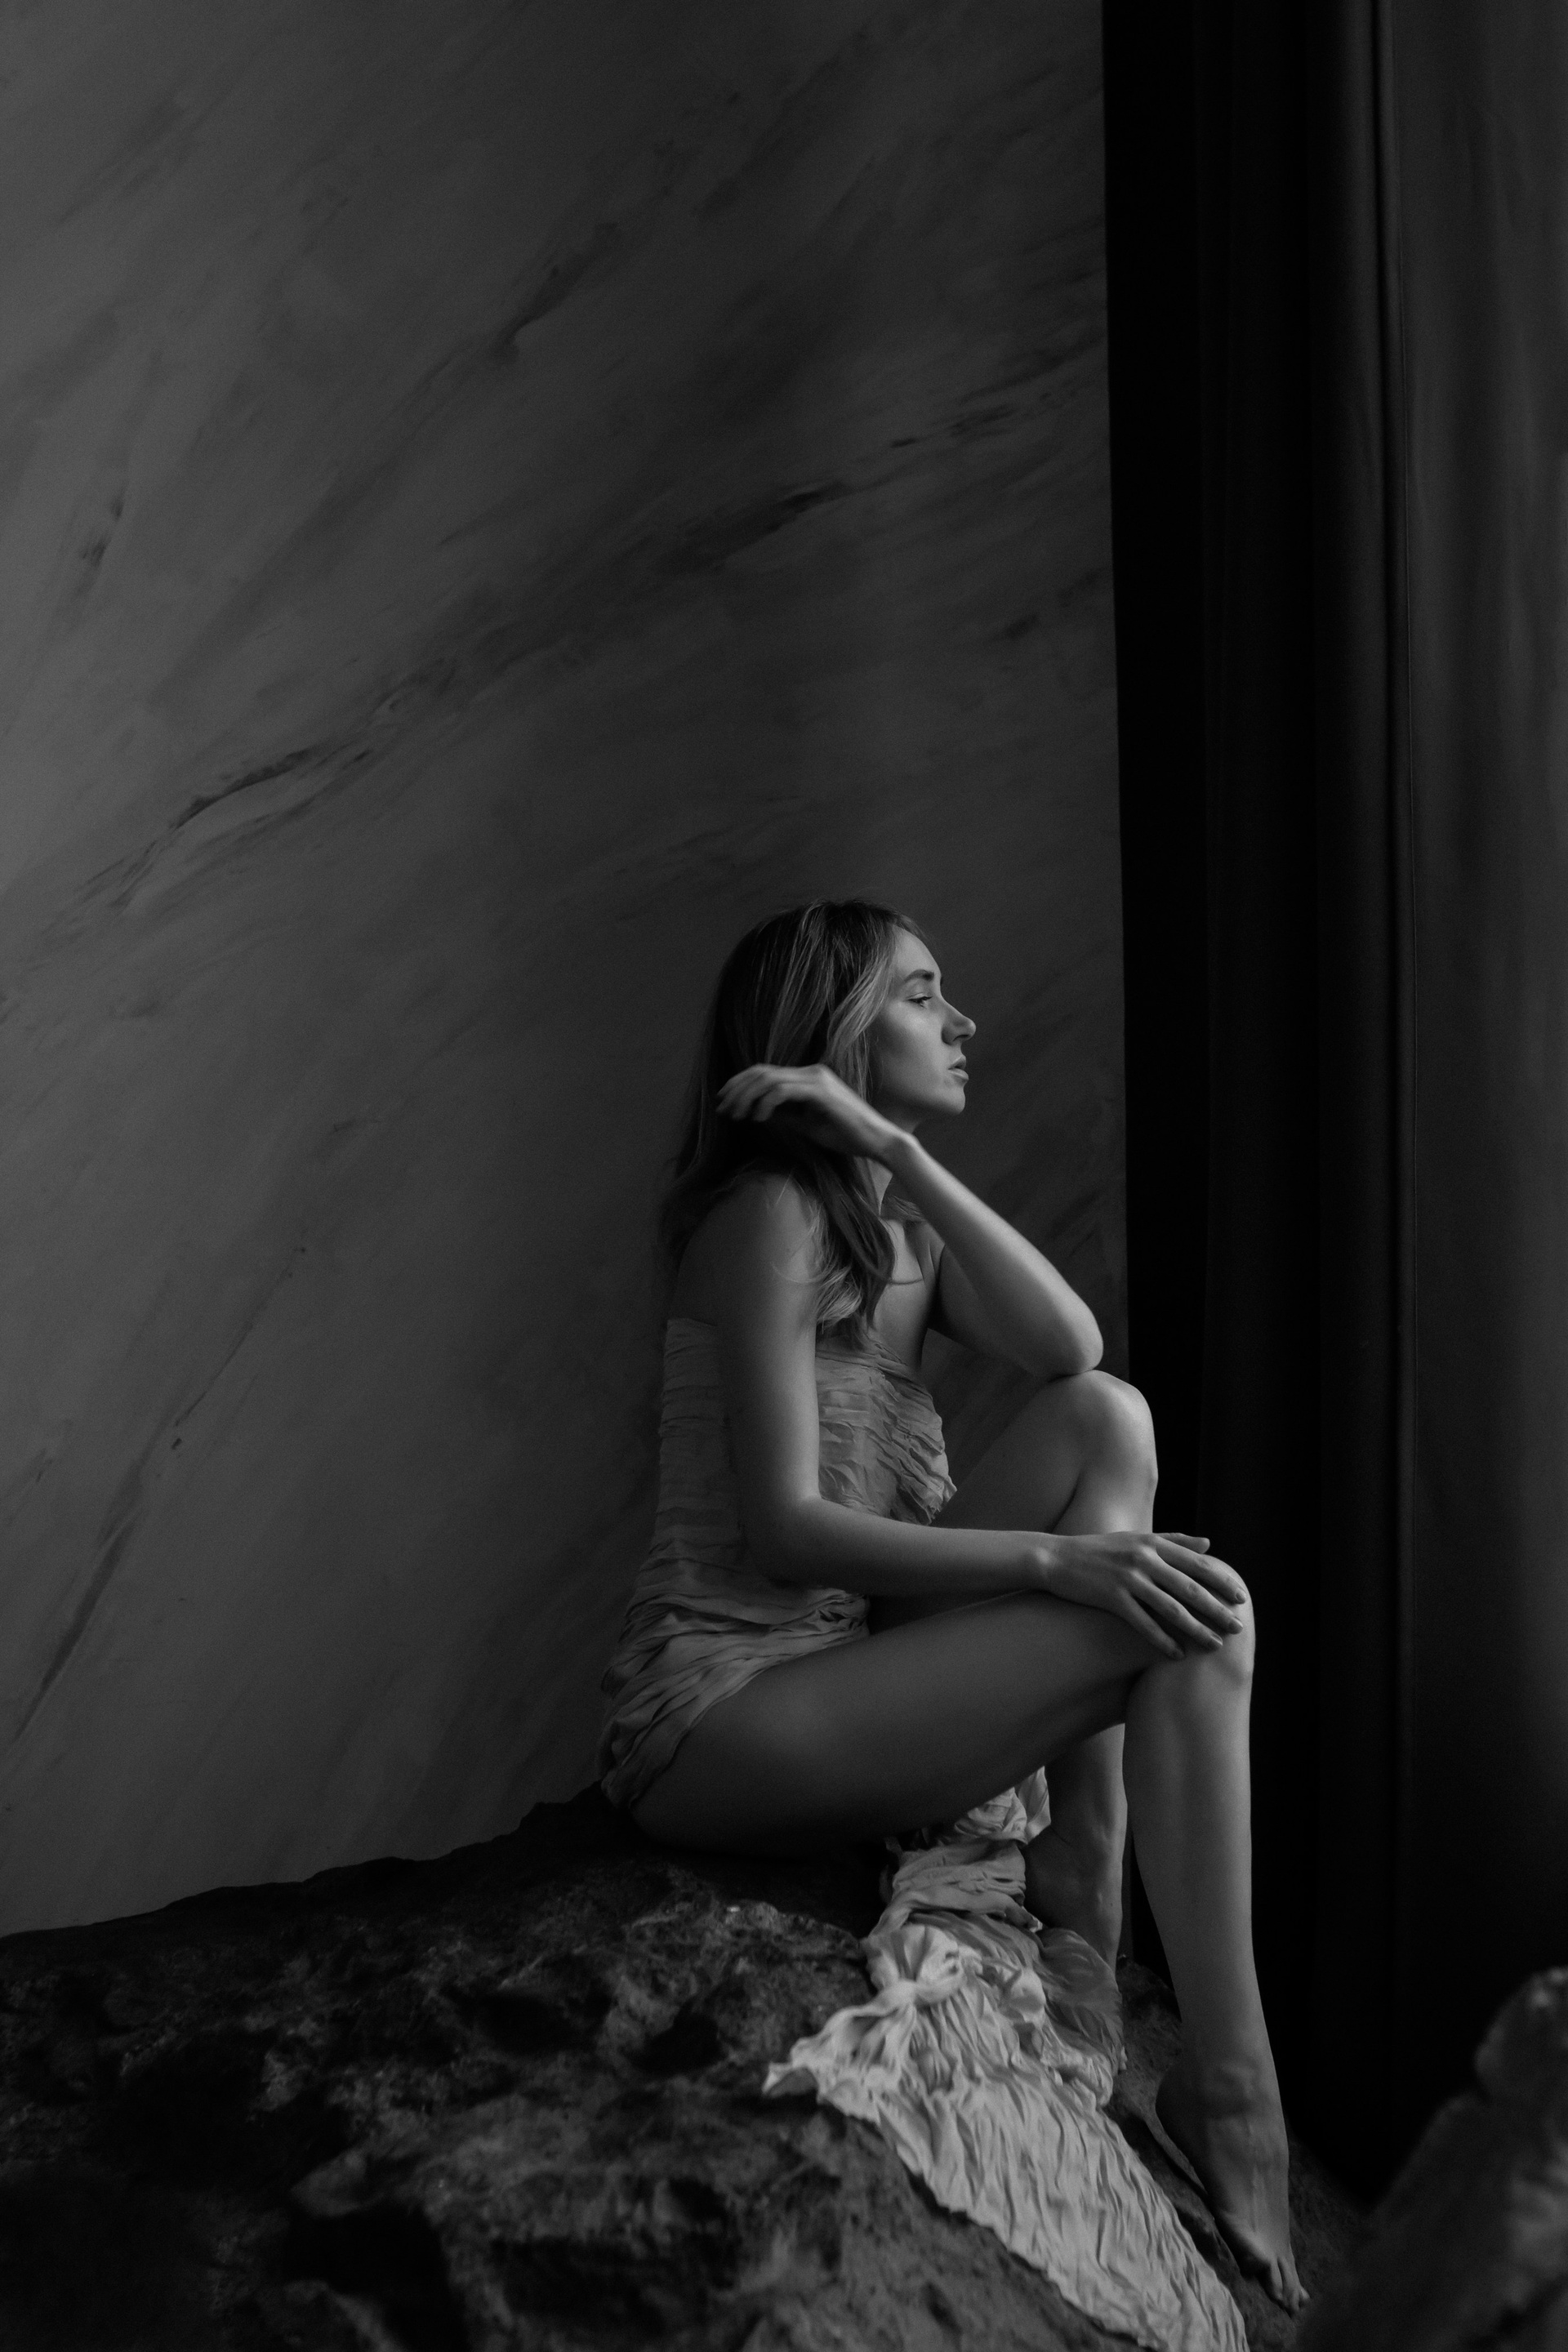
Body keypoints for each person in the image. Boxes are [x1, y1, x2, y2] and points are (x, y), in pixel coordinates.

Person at [597, 898, 1303, 2312]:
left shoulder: (893, 1226)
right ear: (836, 1032)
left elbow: (1069, 1344)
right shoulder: (768, 1216)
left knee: (1107, 1415)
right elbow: (789, 1531)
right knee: (1195, 1617)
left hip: (850, 1658)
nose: (962, 1020)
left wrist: (901, 1151)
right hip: (729, 1703)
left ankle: (1085, 1871)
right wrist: (1054, 1566)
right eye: (923, 996)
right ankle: (1233, 2096)